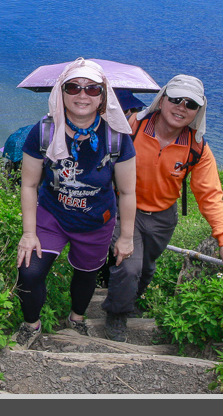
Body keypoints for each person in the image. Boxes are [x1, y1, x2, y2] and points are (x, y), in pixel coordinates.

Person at [101, 74, 223, 342]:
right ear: (161, 100)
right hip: (123, 208)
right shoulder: (133, 128)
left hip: (163, 217)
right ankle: (116, 315)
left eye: (190, 104)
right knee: (129, 266)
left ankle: (130, 300)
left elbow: (210, 193)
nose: (181, 107)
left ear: (198, 111)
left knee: (146, 269)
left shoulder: (196, 148)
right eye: (176, 99)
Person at [14, 58, 138, 348]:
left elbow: (128, 192)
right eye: (74, 87)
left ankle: (76, 319)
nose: (83, 95)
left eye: (93, 89)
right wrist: (29, 234)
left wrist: (127, 238)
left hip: (96, 220)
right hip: (52, 215)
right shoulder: (43, 132)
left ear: (103, 96)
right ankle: (31, 325)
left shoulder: (118, 138)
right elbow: (30, 184)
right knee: (29, 271)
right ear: (61, 92)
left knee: (86, 276)